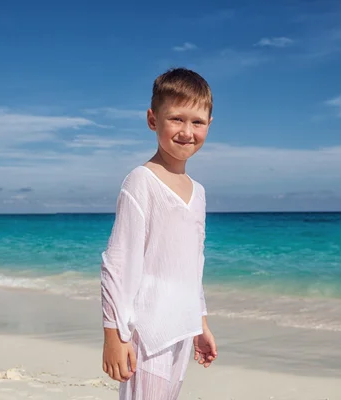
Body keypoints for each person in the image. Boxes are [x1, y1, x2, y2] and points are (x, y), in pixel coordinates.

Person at [100, 67, 217, 399]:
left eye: (197, 122)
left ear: (209, 124)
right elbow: (117, 263)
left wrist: (201, 324)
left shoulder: (199, 192)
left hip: (181, 328)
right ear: (153, 120)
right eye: (176, 119)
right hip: (147, 334)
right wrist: (113, 335)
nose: (186, 131)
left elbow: (192, 265)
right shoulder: (141, 181)